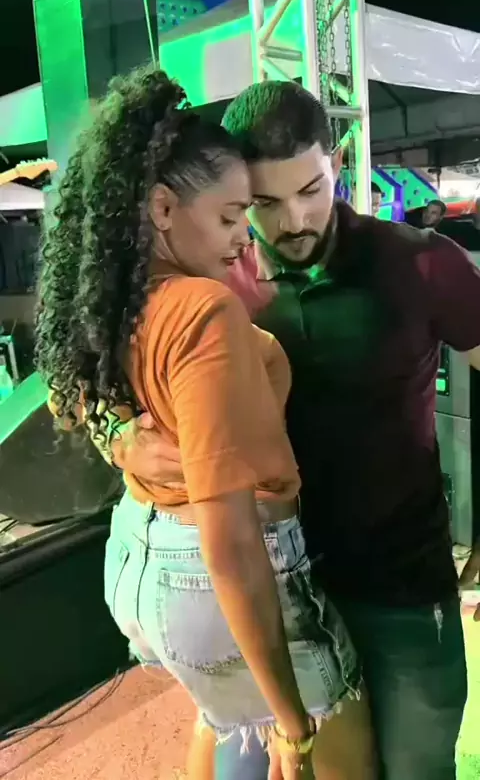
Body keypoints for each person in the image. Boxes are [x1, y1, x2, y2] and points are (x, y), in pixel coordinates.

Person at [109, 80, 480, 780]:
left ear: (336, 162)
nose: (293, 220)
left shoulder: (420, 261)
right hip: (274, 588)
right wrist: (115, 429)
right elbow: (86, 366)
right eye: (265, 203)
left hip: (400, 581)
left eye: (310, 189)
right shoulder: (216, 272)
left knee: (415, 769)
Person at [37, 67, 375, 780]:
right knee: (322, 736)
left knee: (220, 718)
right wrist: (293, 725)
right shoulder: (202, 308)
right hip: (218, 573)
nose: (245, 237)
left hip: (139, 552)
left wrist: (118, 436)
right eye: (230, 217)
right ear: (163, 208)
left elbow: (68, 392)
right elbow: (233, 546)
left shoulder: (114, 301)